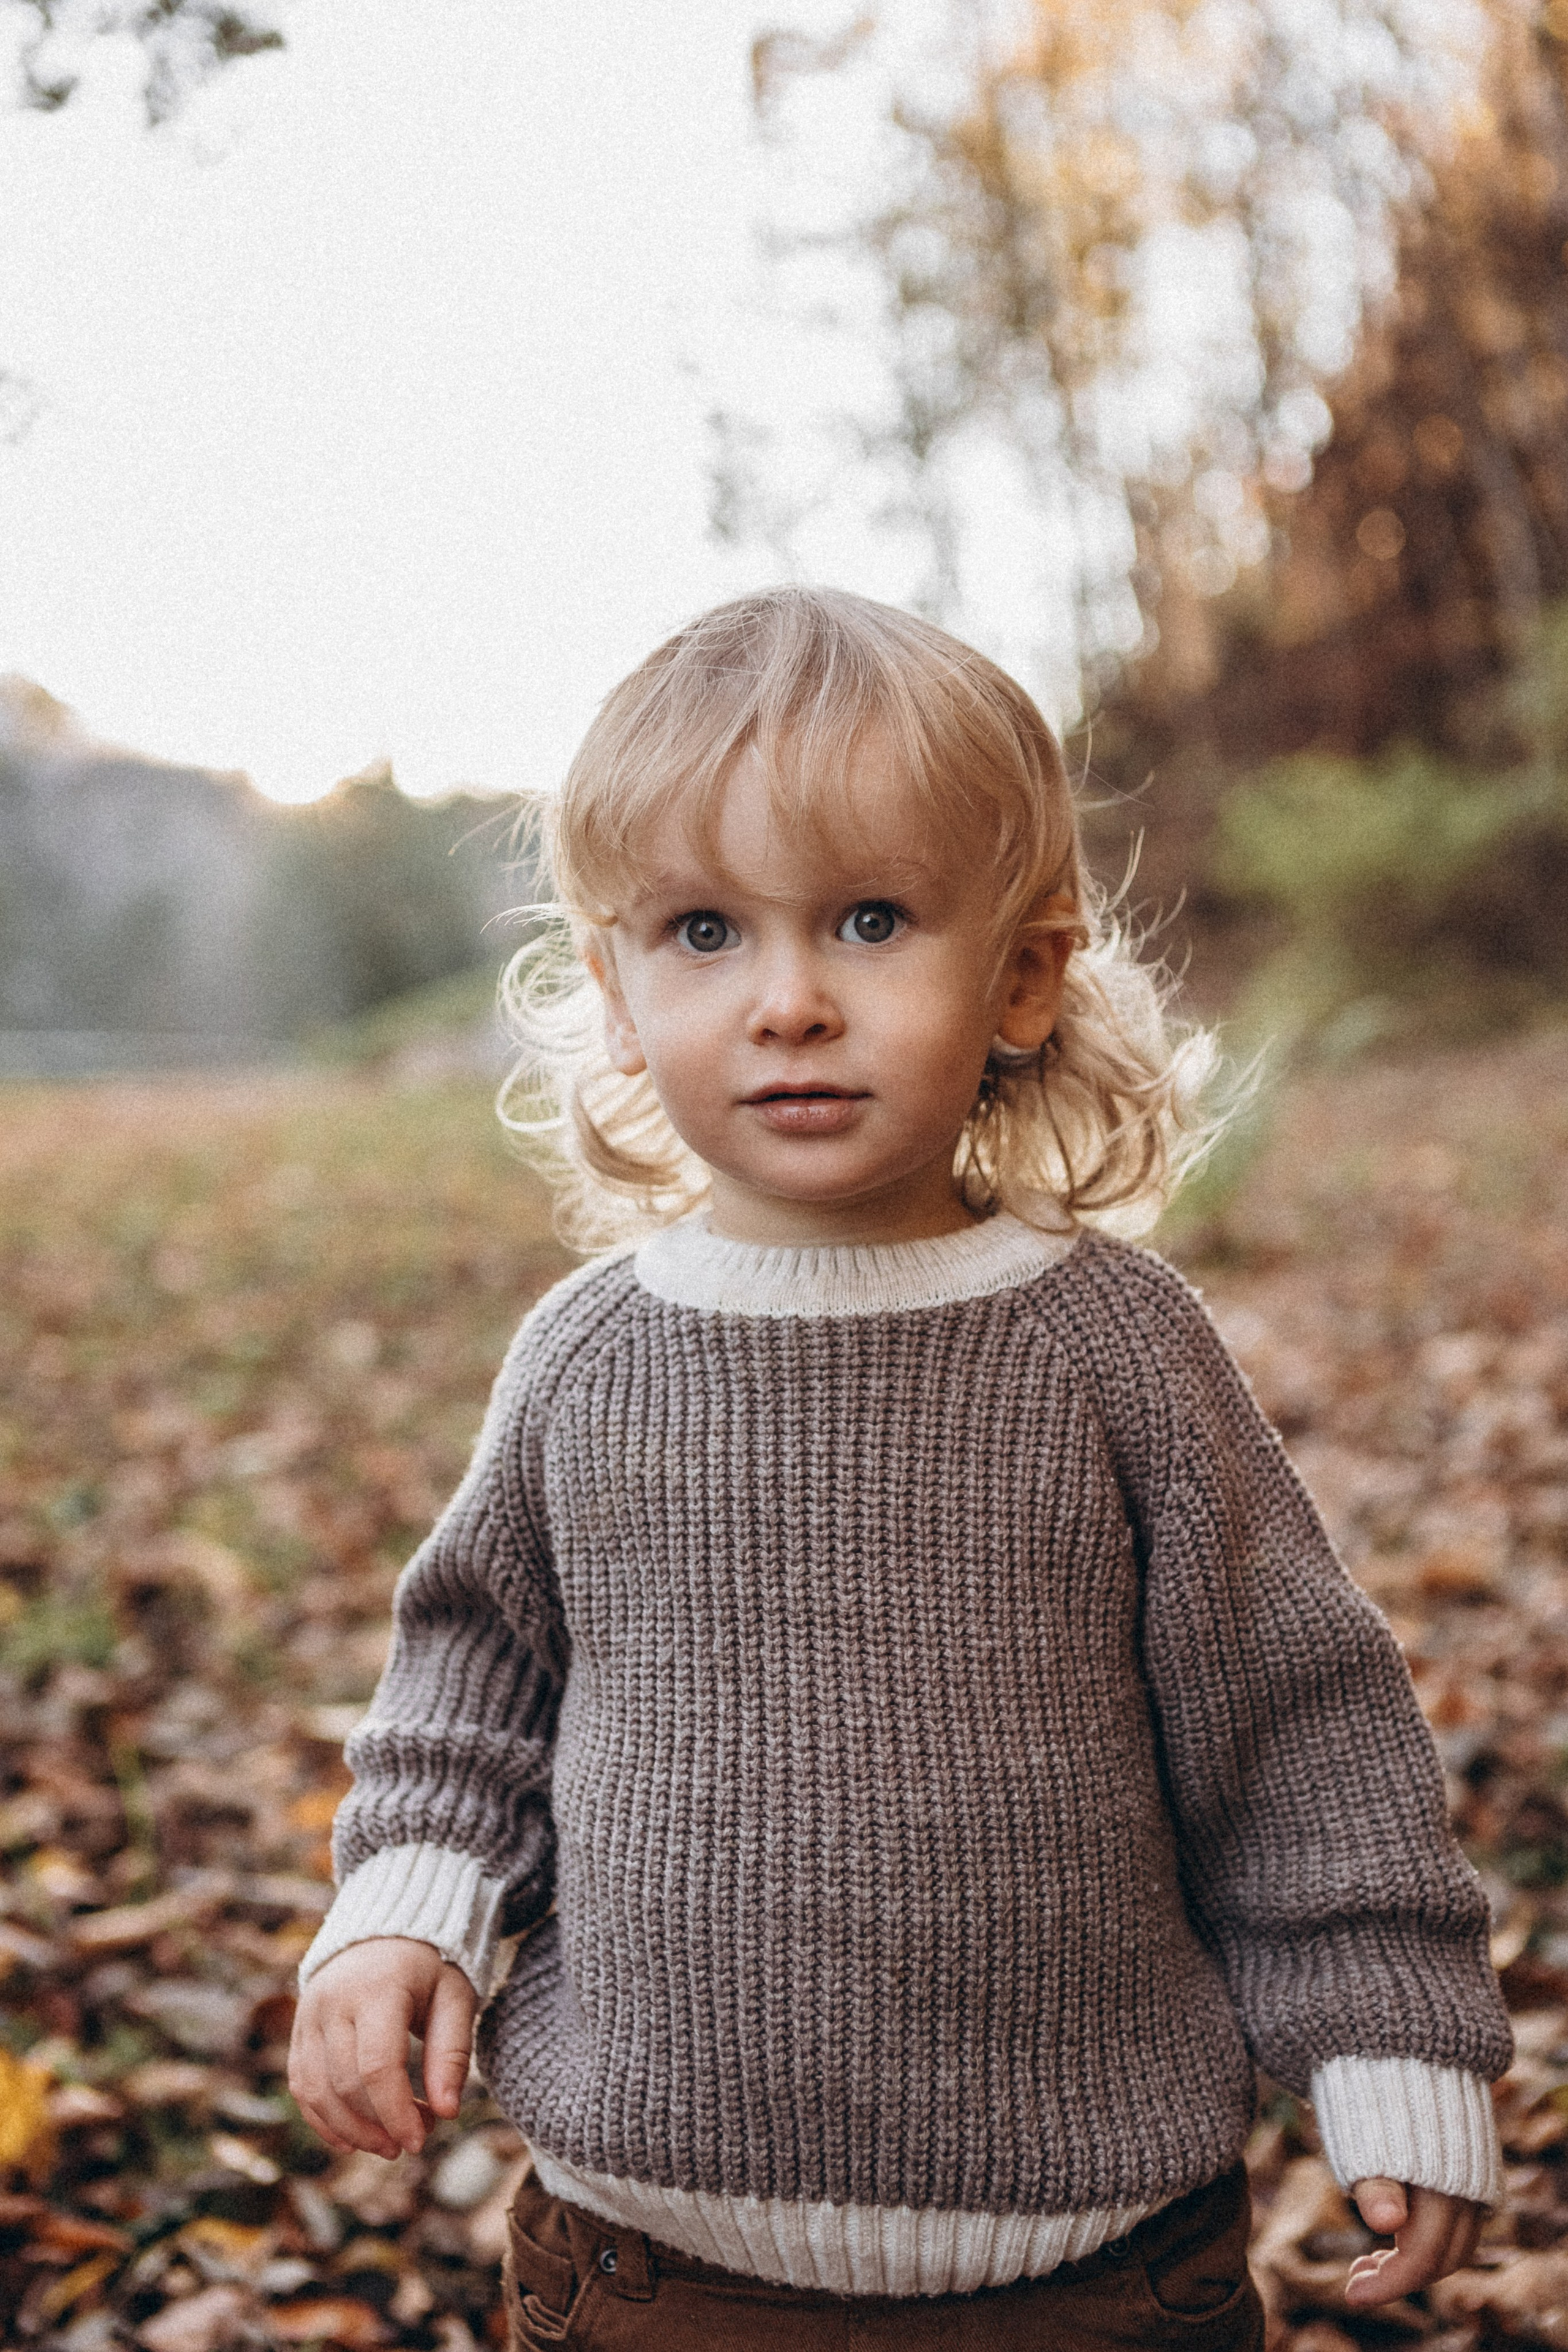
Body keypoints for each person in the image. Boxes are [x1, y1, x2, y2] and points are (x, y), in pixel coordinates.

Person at [289, 587, 1512, 2350]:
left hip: (1089, 2268)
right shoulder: (591, 1354)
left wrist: (1388, 2033)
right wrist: (406, 1911)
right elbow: (474, 1679)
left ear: (1020, 973)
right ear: (618, 995)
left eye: (868, 920)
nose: (788, 1002)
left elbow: (1297, 1719)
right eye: (704, 931)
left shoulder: (1110, 1351)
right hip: (656, 2265)